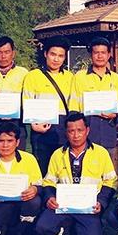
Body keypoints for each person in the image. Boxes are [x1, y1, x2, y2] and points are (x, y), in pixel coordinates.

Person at [33, 112, 118, 235]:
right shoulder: (58, 154)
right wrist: (50, 198)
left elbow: (111, 180)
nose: (76, 135)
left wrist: (101, 202)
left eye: (80, 130)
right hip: (63, 206)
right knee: (42, 227)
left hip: (88, 208)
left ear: (87, 131)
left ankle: (85, 230)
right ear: (66, 133)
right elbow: (49, 181)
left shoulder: (100, 153)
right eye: (71, 131)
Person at [68, 37, 118, 170]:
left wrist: (115, 115)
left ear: (109, 55)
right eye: (96, 52)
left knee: (107, 173)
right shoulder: (79, 77)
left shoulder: (116, 79)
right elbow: (73, 108)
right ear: (90, 55)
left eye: (103, 52)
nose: (100, 56)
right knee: (84, 173)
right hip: (87, 136)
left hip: (108, 135)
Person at [23, 36, 73, 176]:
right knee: (41, 172)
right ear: (45, 53)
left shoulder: (71, 78)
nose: (56, 59)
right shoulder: (32, 76)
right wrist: (33, 124)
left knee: (63, 172)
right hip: (41, 133)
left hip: (63, 133)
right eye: (53, 54)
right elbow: (26, 104)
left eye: (60, 56)